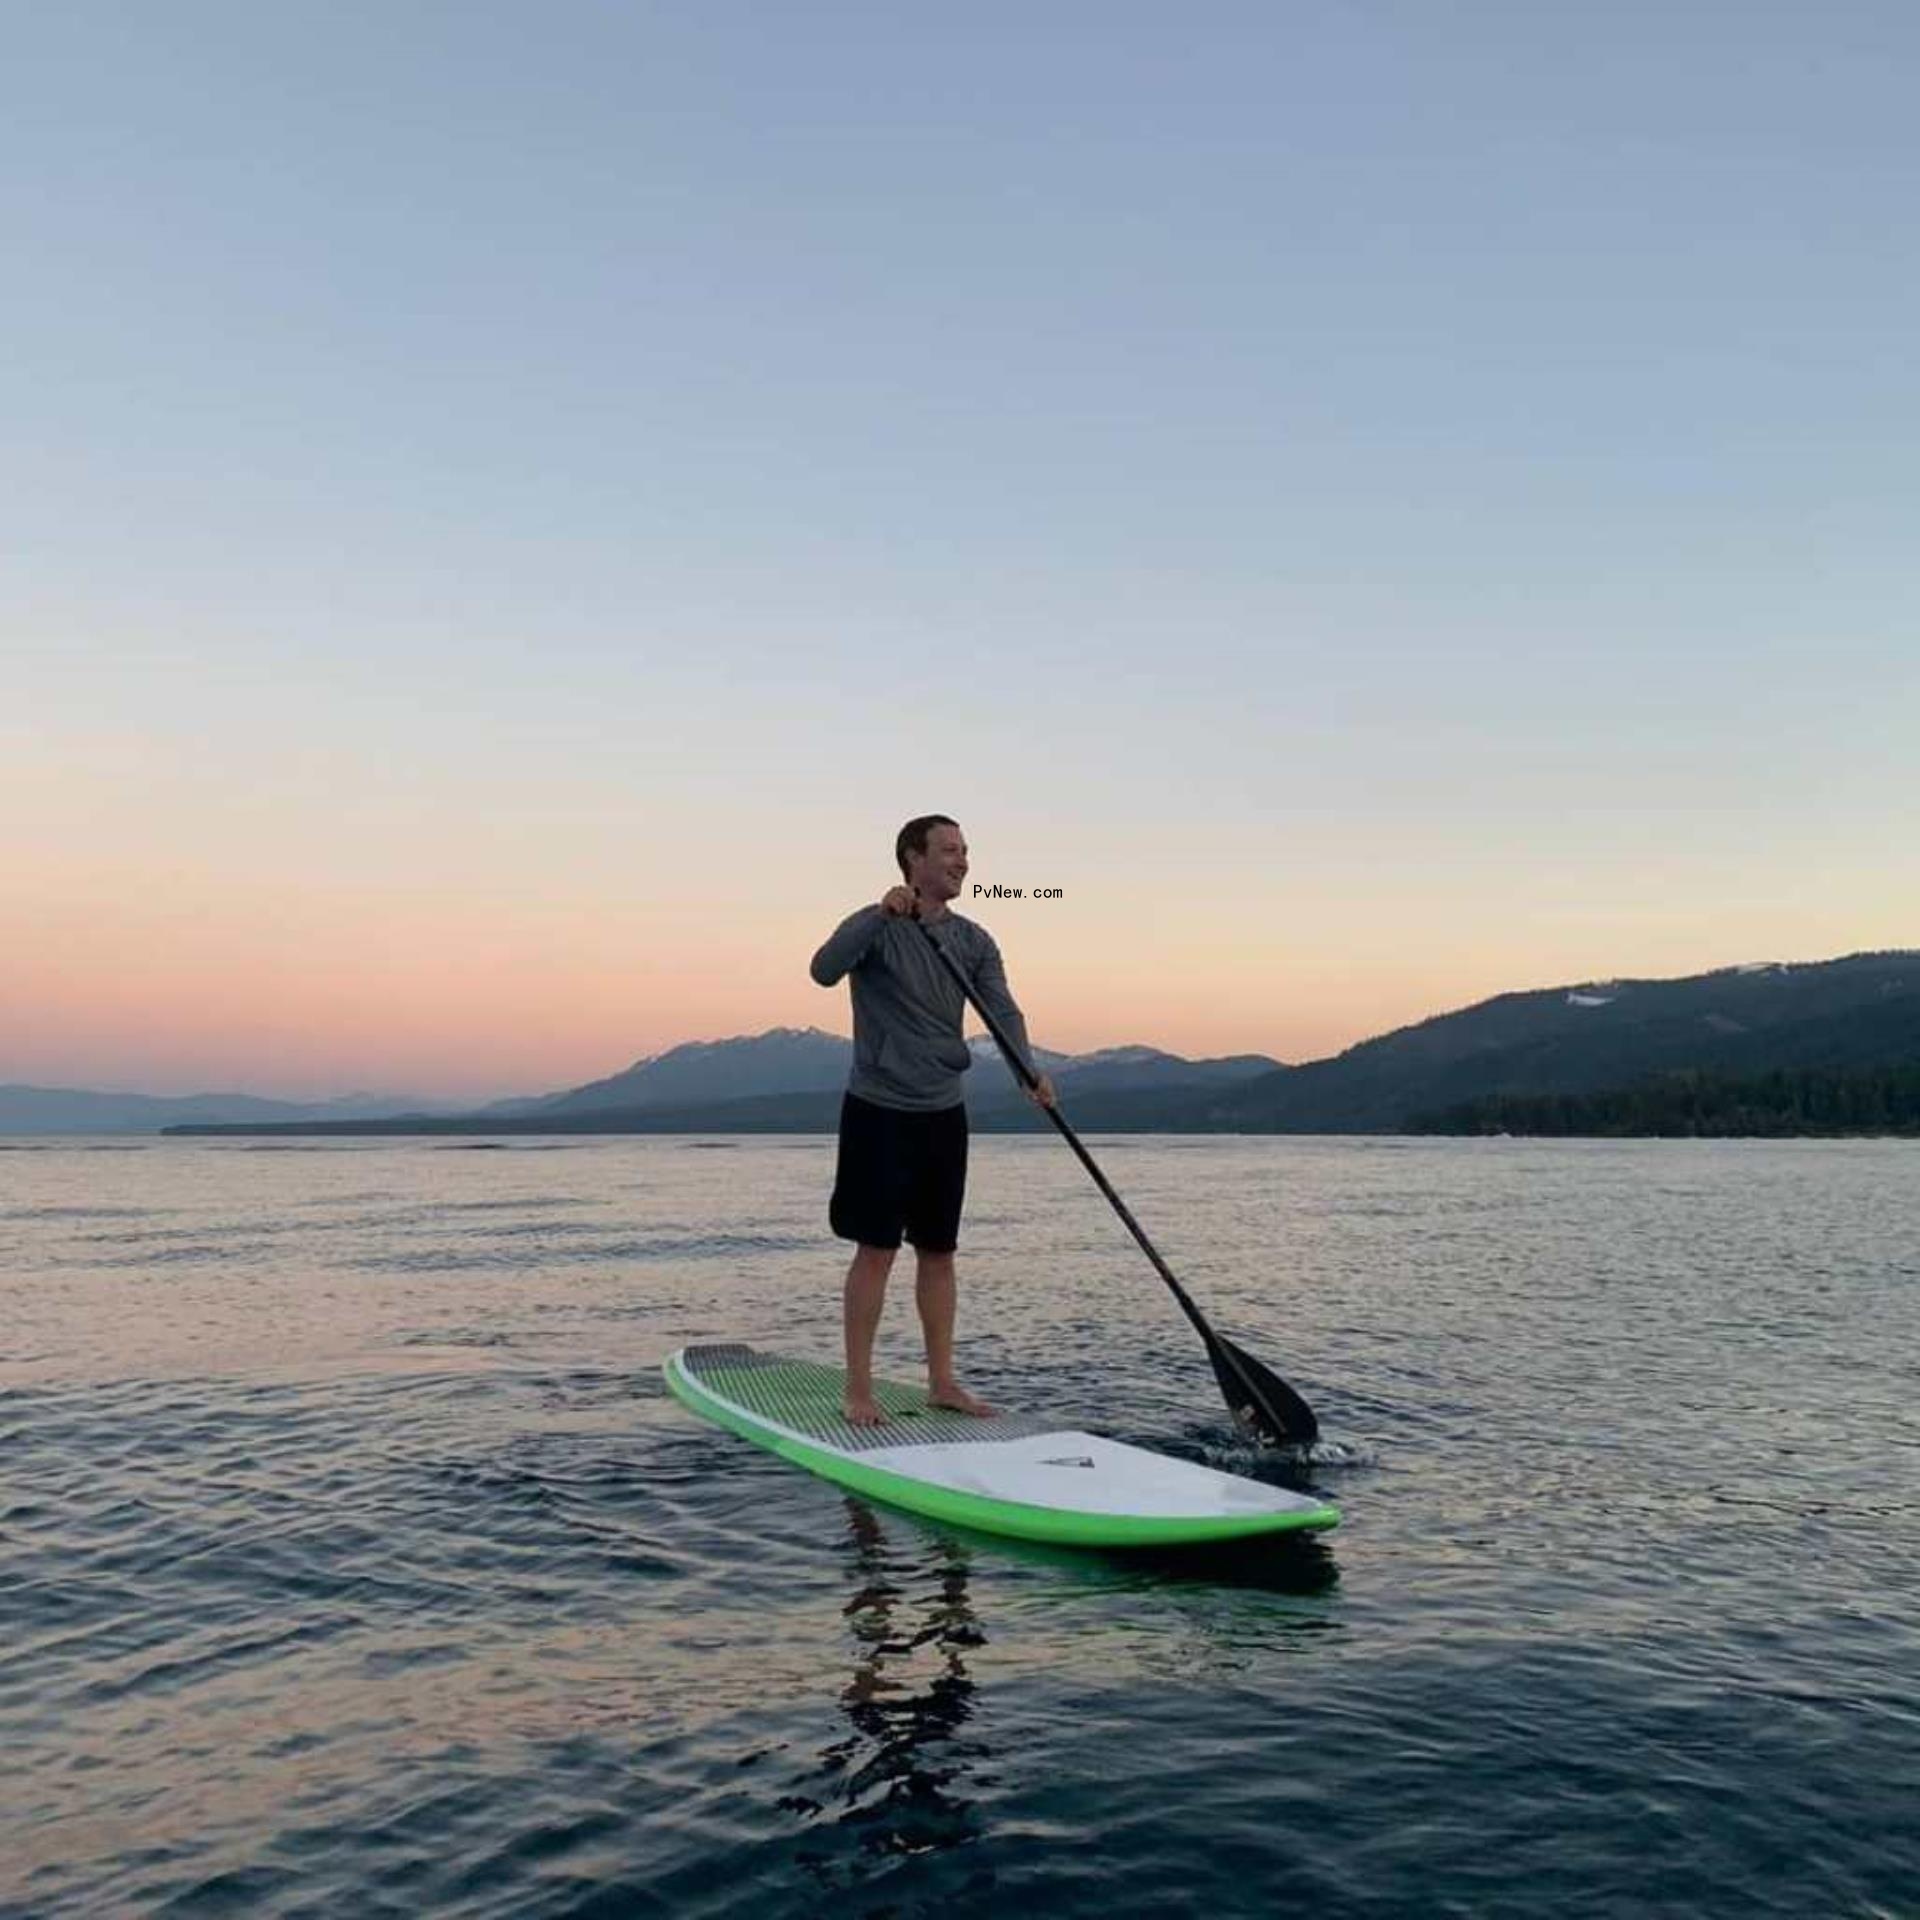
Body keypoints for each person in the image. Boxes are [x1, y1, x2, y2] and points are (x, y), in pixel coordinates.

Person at [809, 815, 1057, 1426]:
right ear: (912, 859)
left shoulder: (974, 940)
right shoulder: (875, 927)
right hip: (878, 1109)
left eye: (965, 850)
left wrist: (1027, 1069)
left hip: (943, 1113)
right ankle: (858, 1389)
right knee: (876, 1250)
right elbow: (823, 968)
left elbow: (1002, 1010)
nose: (963, 860)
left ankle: (942, 1383)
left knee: (939, 1251)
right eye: (949, 849)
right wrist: (880, 914)